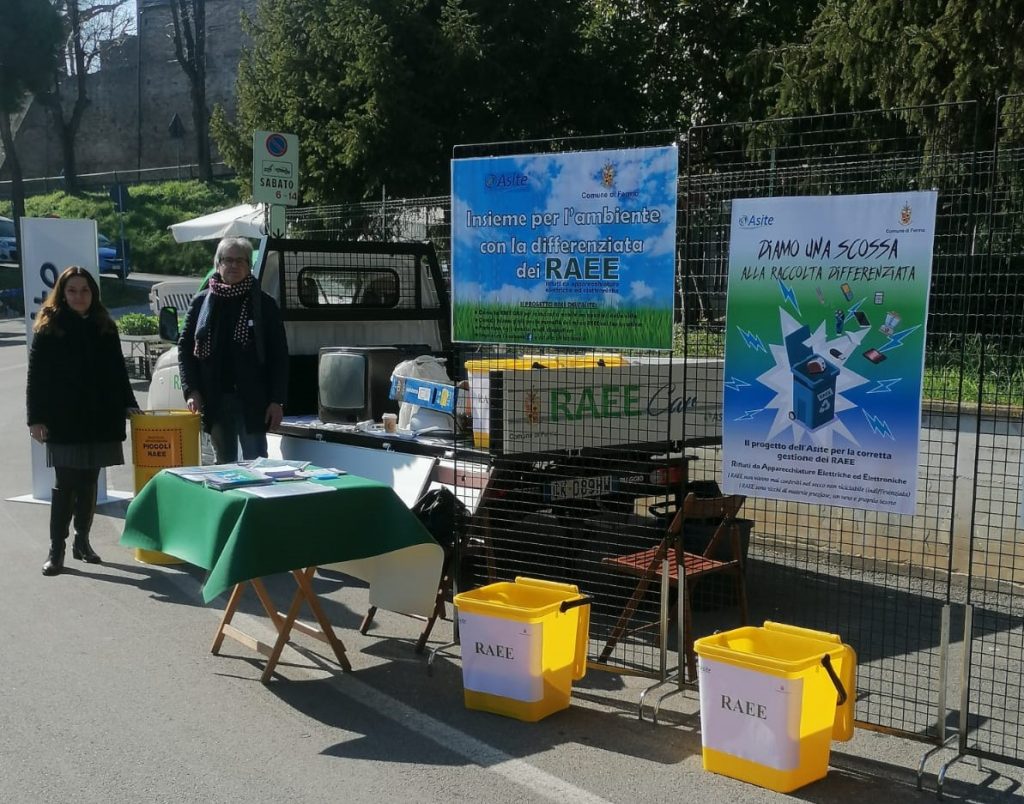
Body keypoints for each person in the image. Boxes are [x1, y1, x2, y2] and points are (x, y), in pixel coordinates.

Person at [26, 266, 140, 577]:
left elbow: (118, 371)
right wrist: (35, 419)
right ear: (62, 294)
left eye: (85, 290)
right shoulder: (49, 327)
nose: (79, 296)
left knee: (90, 481)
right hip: (63, 419)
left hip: (100, 417)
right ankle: (56, 550)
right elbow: (36, 378)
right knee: (65, 484)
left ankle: (82, 542)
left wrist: (130, 404)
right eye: (72, 290)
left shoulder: (105, 325)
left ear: (93, 293)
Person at [178, 236, 288, 463]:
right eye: (228, 260)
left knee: (257, 464)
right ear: (218, 264)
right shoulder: (201, 303)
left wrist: (277, 400)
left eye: (240, 260)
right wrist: (191, 390)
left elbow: (279, 356)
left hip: (254, 401)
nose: (234, 266)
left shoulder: (264, 304)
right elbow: (185, 349)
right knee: (222, 467)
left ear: (249, 265)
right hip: (216, 400)